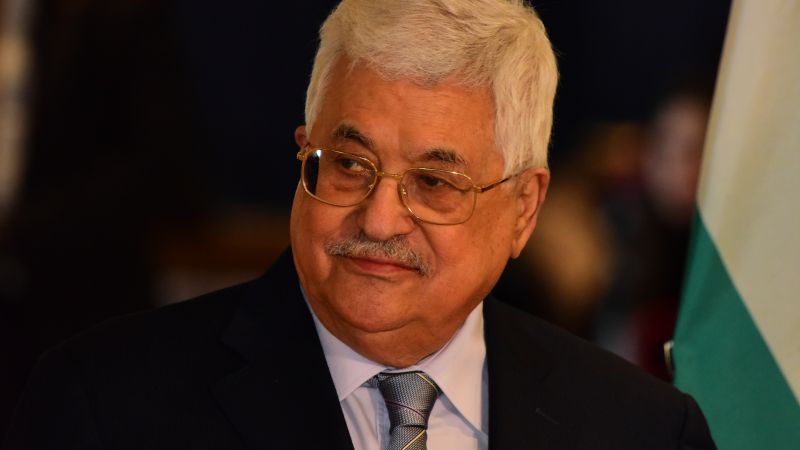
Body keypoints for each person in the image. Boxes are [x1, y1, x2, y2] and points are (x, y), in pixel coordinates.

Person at [3, 0, 716, 449]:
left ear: (524, 208)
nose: (378, 217)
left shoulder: (641, 430)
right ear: (302, 154)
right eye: (349, 164)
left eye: (434, 183)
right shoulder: (103, 408)